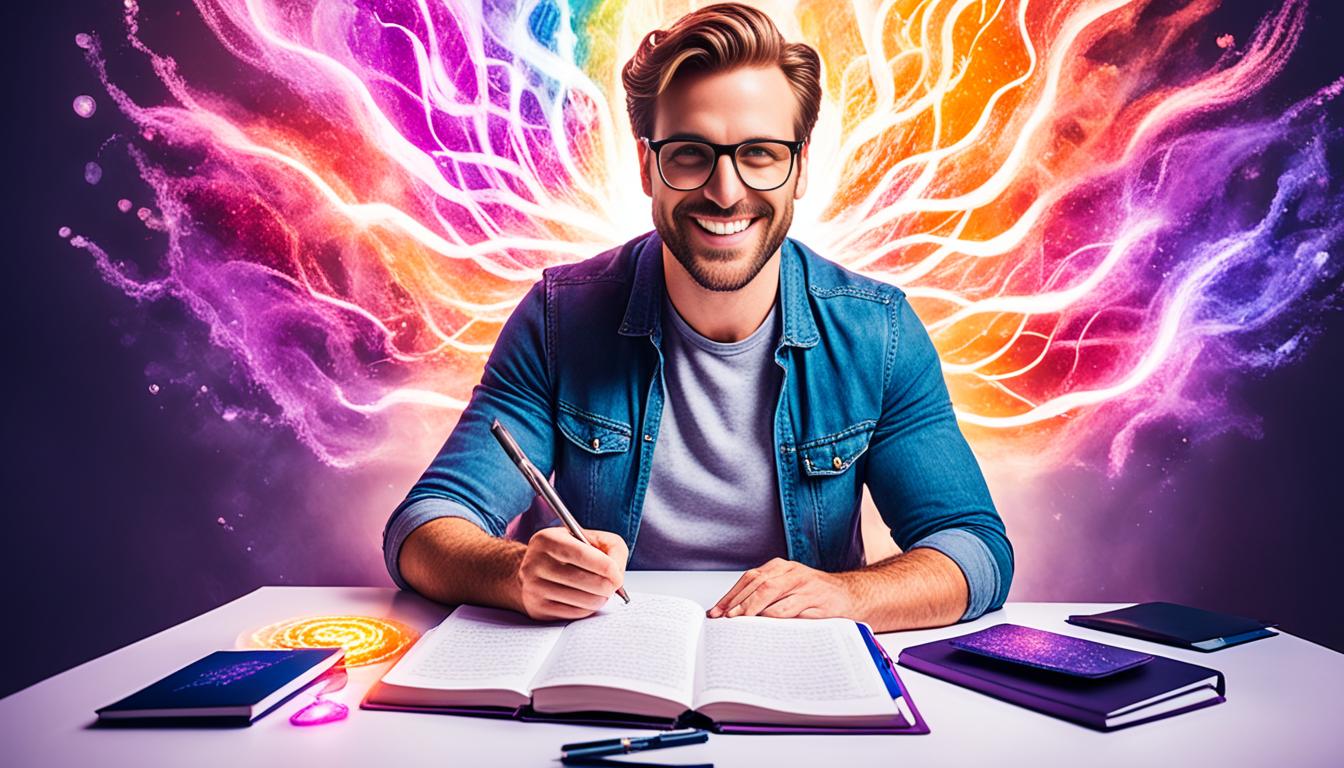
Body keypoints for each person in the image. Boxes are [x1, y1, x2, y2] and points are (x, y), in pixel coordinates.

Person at [383, 3, 1012, 632]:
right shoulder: (558, 318)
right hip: (595, 670)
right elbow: (424, 526)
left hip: (803, 679)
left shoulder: (879, 334)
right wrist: (514, 573)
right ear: (646, 165)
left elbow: (975, 549)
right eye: (689, 153)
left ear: (801, 167)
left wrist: (851, 597)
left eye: (761, 153)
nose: (726, 190)